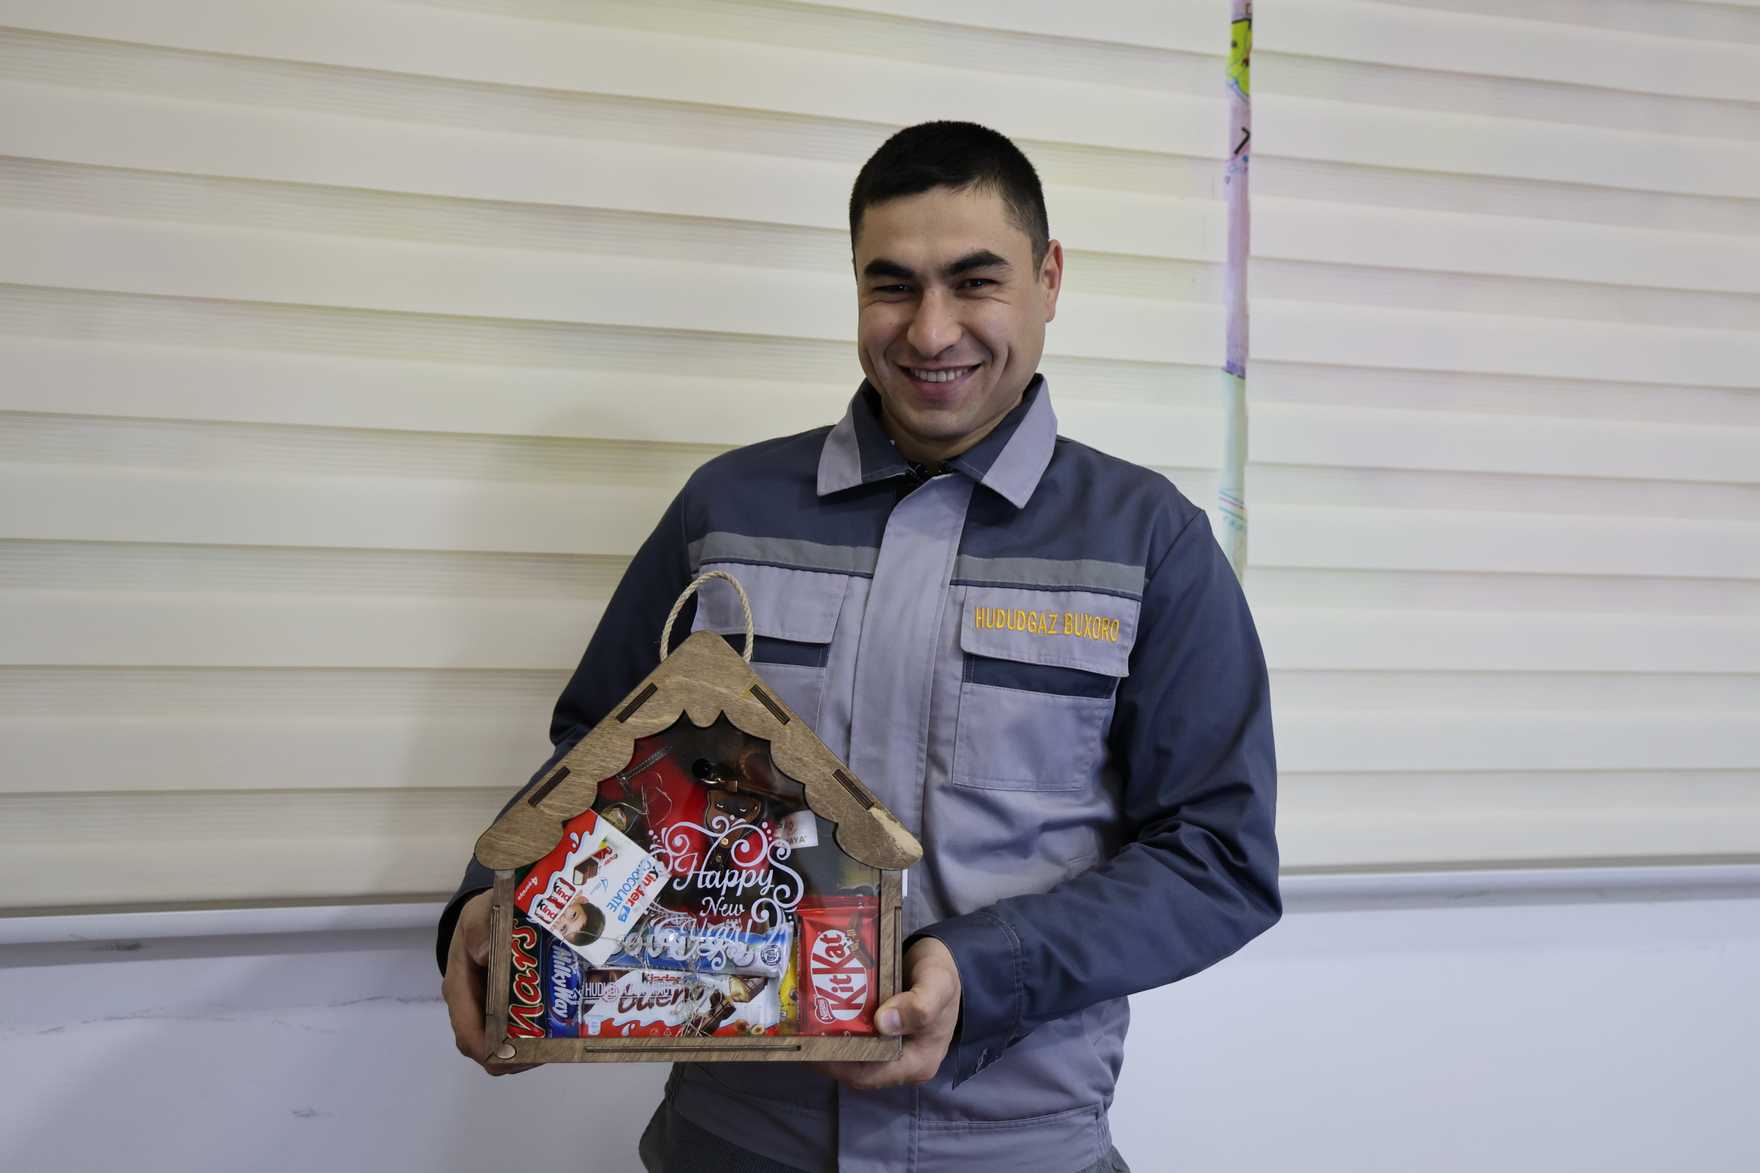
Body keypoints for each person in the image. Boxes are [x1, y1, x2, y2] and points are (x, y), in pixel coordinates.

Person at [439, 120, 1280, 1173]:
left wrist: (980, 969)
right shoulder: (725, 512)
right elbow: (592, 760)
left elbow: (1217, 859)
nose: (931, 331)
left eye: (974, 282)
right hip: (734, 1141)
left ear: (1049, 279)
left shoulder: (1147, 542)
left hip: (1015, 1150)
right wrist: (489, 904)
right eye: (892, 286)